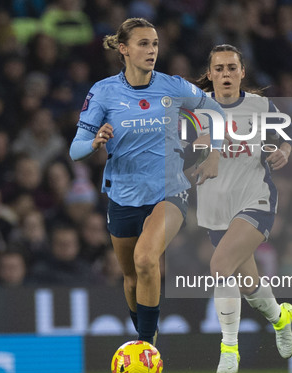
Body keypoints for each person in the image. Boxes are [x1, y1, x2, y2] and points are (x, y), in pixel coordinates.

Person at [70, 18, 225, 346]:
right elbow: (75, 149)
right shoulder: (103, 92)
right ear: (124, 49)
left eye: (154, 43)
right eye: (143, 43)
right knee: (130, 279)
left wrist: (214, 152)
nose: (151, 50)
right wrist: (95, 142)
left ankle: (146, 347)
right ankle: (147, 333)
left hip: (169, 191)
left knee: (145, 259)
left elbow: (217, 111)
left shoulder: (173, 86)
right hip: (123, 195)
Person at [192, 44, 292, 373]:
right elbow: (180, 152)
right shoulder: (195, 111)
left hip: (256, 199)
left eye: (231, 68)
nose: (225, 74)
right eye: (219, 68)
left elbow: (286, 131)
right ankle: (281, 319)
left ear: (242, 73)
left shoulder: (260, 106)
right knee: (250, 286)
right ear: (210, 74)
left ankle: (228, 349)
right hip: (216, 208)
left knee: (220, 266)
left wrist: (284, 150)